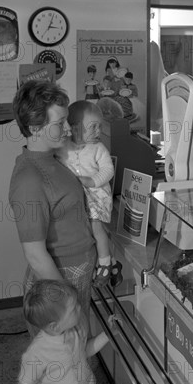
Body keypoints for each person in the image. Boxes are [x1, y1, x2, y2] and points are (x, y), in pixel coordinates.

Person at [8, 80, 97, 384]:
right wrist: (71, 308)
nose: (68, 128)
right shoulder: (29, 176)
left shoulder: (51, 158)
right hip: (57, 298)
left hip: (72, 285)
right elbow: (35, 252)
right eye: (60, 122)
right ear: (36, 124)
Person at [18, 280, 116, 384]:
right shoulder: (37, 353)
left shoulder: (74, 331)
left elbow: (83, 352)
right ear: (54, 326)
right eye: (73, 309)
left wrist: (107, 334)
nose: (79, 307)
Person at [56, 100, 123, 287]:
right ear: (75, 128)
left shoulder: (98, 149)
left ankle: (104, 264)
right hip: (78, 197)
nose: (98, 131)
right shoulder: (64, 147)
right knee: (86, 231)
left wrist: (92, 181)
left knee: (96, 227)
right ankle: (114, 263)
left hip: (96, 195)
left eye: (99, 127)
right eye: (92, 127)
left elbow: (108, 170)